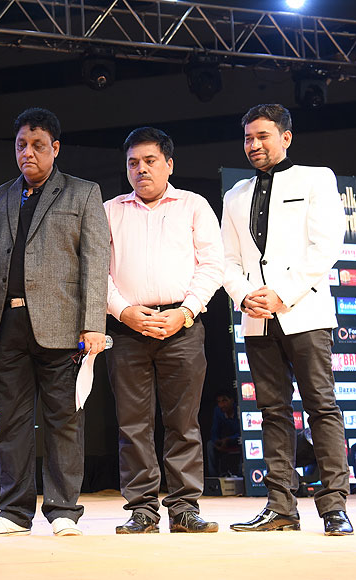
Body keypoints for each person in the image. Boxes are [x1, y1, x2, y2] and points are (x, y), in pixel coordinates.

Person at [0, 107, 110, 537]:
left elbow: (95, 260)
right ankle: (13, 512)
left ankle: (64, 509)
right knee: (10, 421)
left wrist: (94, 323)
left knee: (63, 419)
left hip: (63, 325)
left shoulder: (83, 194)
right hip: (6, 325)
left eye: (37, 145)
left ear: (55, 148)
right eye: (20, 146)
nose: (27, 153)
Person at [222, 103, 353, 535]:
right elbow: (227, 259)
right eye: (248, 138)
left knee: (321, 406)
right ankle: (280, 506)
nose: (254, 145)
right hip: (258, 317)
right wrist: (245, 296)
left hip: (305, 312)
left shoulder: (316, 178)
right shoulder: (234, 195)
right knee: (272, 411)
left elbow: (326, 245)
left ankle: (334, 506)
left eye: (262, 136)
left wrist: (283, 293)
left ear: (286, 137)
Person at [104, 127, 224, 534]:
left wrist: (185, 312)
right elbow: (96, 273)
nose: (141, 170)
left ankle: (185, 507)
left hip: (183, 325)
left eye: (150, 161)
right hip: (127, 329)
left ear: (169, 164)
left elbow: (212, 266)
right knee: (132, 423)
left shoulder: (194, 206)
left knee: (183, 421)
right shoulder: (110, 210)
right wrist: (123, 311)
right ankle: (141, 509)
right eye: (133, 163)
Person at [207, 391, 241, 477]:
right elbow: (214, 430)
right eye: (219, 402)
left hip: (238, 441)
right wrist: (217, 441)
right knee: (210, 445)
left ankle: (242, 474)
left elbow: (242, 432)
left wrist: (230, 439)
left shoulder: (239, 409)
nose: (221, 405)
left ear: (232, 400)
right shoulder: (218, 411)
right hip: (224, 442)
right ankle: (214, 477)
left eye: (224, 401)